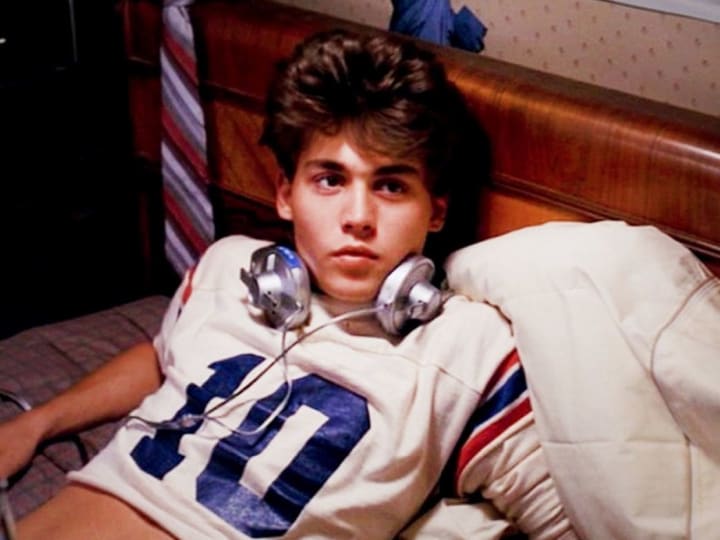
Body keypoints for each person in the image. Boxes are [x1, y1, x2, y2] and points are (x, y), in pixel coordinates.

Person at [0, 29, 575, 539]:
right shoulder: (231, 268)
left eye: (391, 186)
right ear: (284, 194)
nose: (358, 217)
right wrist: (33, 425)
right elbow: (160, 357)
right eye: (330, 179)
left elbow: (567, 517)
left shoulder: (470, 349)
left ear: (436, 211)